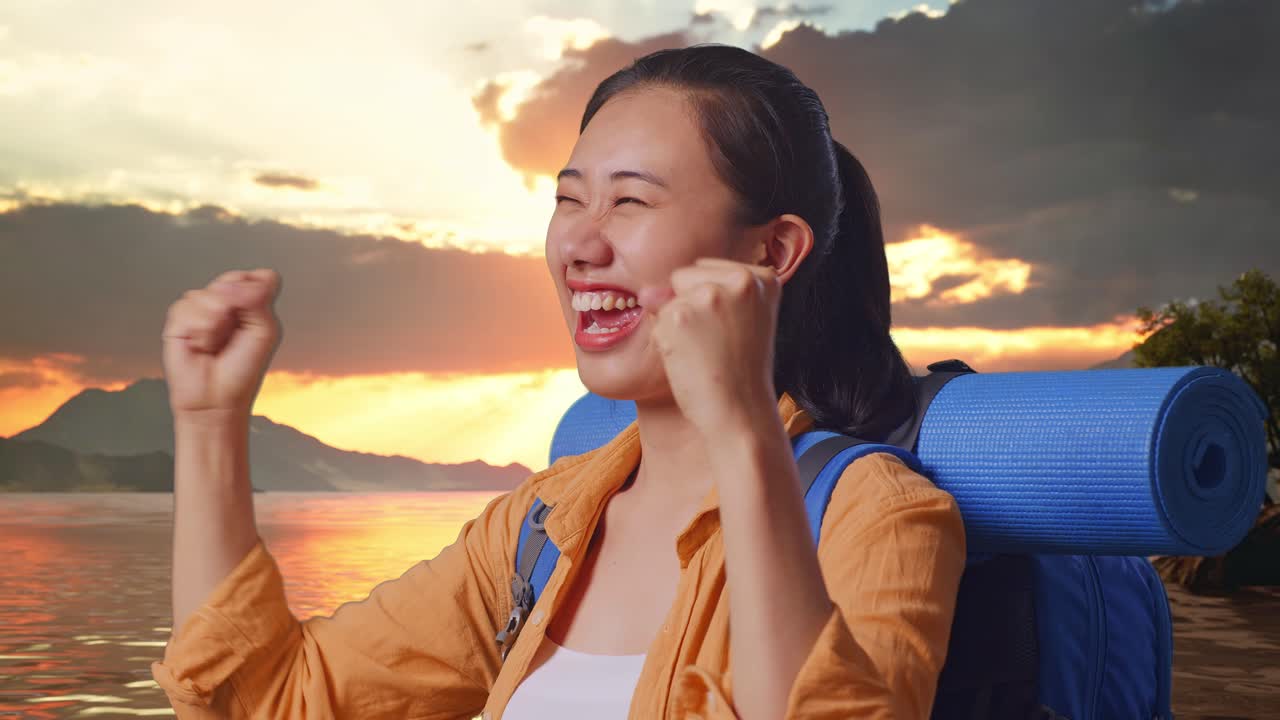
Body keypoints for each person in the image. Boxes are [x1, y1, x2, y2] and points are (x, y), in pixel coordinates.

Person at [153, 43, 966, 719]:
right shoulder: (541, 531)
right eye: (570, 200)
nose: (580, 244)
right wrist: (207, 422)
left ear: (771, 253)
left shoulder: (877, 518)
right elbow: (267, 699)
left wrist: (743, 425)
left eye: (630, 202)